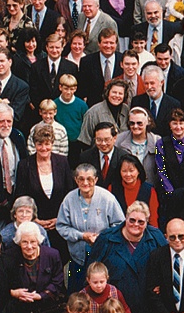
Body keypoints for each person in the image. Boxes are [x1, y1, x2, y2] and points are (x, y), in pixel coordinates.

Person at [57, 163, 125, 292]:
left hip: (103, 256)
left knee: (100, 291)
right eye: (81, 179)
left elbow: (119, 224)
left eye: (89, 179)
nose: (85, 182)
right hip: (78, 258)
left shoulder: (107, 198)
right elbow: (61, 226)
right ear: (76, 180)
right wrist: (81, 236)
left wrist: (102, 237)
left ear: (96, 180)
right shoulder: (69, 199)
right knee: (76, 293)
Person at [16, 124, 74, 263]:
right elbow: (21, 196)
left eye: (47, 144)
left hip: (60, 223)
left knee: (61, 260)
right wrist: (35, 220)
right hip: (35, 225)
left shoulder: (62, 161)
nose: (44, 148)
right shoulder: (24, 165)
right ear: (34, 144)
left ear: (52, 143)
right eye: (39, 144)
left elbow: (70, 194)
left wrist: (59, 218)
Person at [7, 221, 64, 313]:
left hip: (47, 311)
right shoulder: (10, 256)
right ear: (19, 242)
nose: (29, 246)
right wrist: (14, 293)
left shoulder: (52, 255)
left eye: (33, 241)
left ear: (38, 240)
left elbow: (58, 281)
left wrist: (41, 295)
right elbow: (4, 283)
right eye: (24, 242)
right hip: (20, 311)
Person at [109, 154, 160, 227]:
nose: (128, 174)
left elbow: (153, 219)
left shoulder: (149, 190)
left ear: (138, 171)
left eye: (131, 171)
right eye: (124, 171)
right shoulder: (112, 188)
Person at [78, 80, 130, 147]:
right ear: (108, 93)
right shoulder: (93, 113)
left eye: (120, 93)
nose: (117, 96)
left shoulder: (127, 110)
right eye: (114, 92)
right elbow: (85, 141)